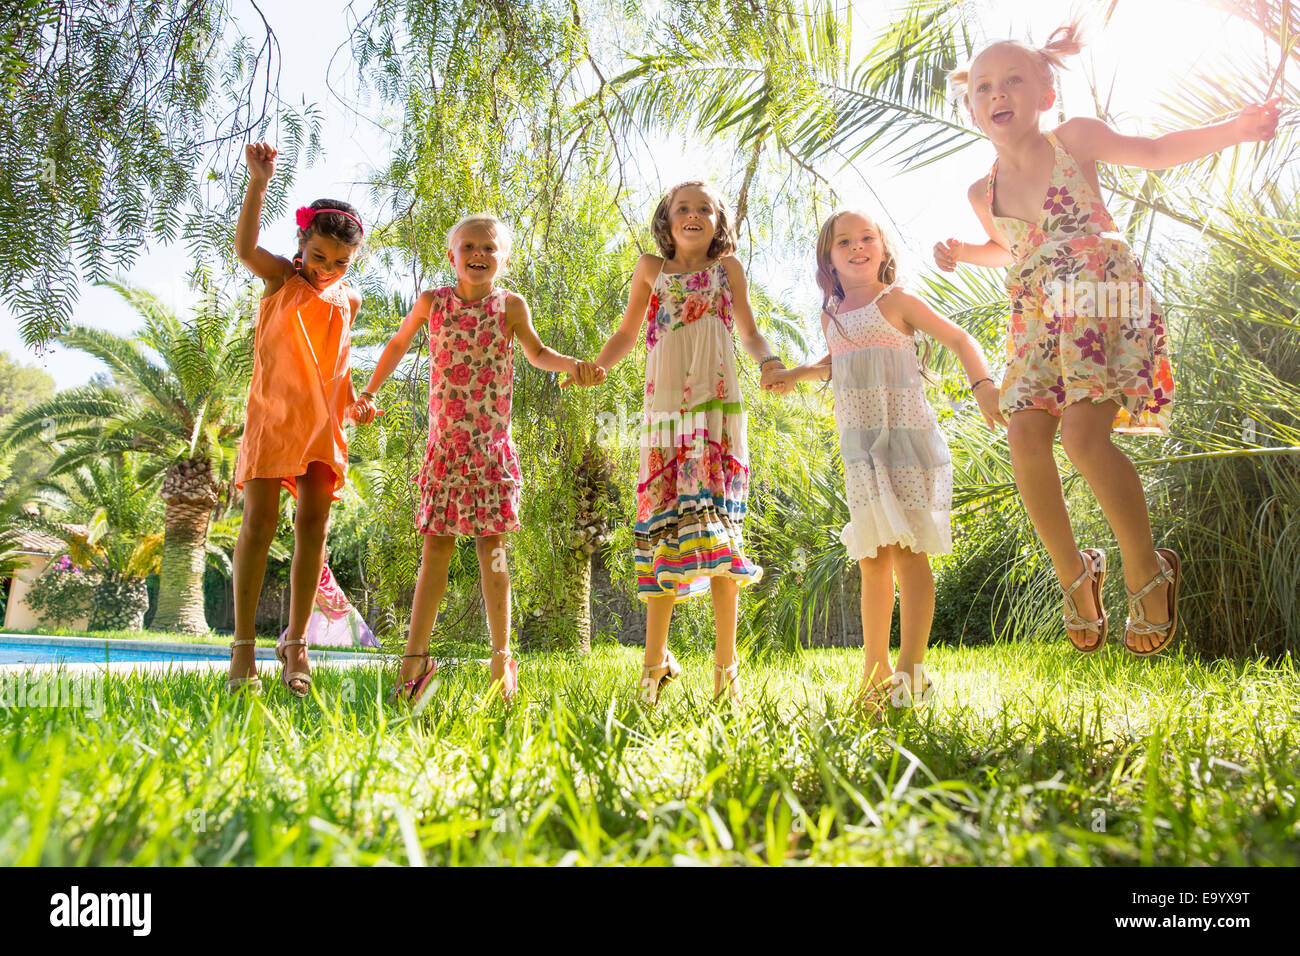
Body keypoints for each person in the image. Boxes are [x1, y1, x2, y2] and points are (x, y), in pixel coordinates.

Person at [933, 25, 1279, 655]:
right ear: (972, 108)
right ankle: (1075, 575)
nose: (997, 92)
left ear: (1044, 91)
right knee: (1025, 436)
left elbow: (1154, 149)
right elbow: (1011, 248)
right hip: (1038, 317)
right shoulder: (980, 191)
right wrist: (964, 253)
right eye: (983, 86)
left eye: (1012, 79)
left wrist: (1235, 129)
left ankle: (1144, 569)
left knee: (1083, 438)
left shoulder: (1075, 140)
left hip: (1098, 299)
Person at [354, 214, 604, 704]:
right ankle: (414, 661)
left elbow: (536, 353)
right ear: (452, 257)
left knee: (494, 555)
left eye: (490, 248)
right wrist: (366, 391)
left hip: (490, 452)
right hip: (446, 452)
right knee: (436, 554)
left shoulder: (510, 306)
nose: (479, 254)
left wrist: (574, 366)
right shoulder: (433, 303)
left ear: (503, 259)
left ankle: (500, 660)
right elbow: (399, 344)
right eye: (469, 246)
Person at [771, 210, 999, 713]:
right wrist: (795, 374)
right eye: (844, 242)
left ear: (883, 247)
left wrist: (984, 388)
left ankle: (910, 670)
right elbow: (837, 361)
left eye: (867, 238)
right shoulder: (830, 313)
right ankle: (873, 674)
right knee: (873, 559)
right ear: (828, 258)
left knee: (910, 552)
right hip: (860, 446)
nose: (857, 247)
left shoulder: (895, 301)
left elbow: (960, 339)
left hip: (905, 441)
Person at [592, 181, 789, 706]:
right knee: (665, 535)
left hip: (718, 413)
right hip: (665, 418)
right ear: (667, 220)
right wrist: (597, 367)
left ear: (719, 222)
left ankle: (727, 674)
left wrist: (769, 360)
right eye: (684, 208)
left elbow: (749, 332)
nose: (694, 214)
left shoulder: (729, 270)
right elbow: (627, 334)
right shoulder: (649, 269)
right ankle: (653, 665)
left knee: (722, 539)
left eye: (706, 208)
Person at [227, 141, 367, 696]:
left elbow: (338, 360)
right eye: (319, 257)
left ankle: (295, 644)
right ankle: (242, 647)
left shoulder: (348, 301)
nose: (328, 270)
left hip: (321, 424)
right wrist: (258, 183)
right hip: (273, 417)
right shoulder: (282, 280)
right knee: (258, 524)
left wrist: (355, 400)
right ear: (303, 245)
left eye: (340, 263)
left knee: (314, 527)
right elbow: (244, 249)